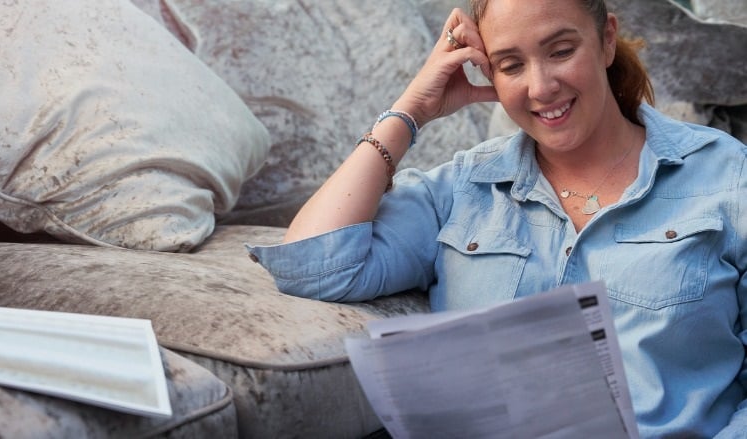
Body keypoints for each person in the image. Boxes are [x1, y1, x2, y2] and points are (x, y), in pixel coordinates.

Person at [247, 0, 747, 436]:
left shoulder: (726, 176)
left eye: (560, 51)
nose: (541, 87)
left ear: (607, 40)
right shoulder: (463, 188)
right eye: (511, 65)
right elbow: (312, 264)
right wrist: (410, 111)